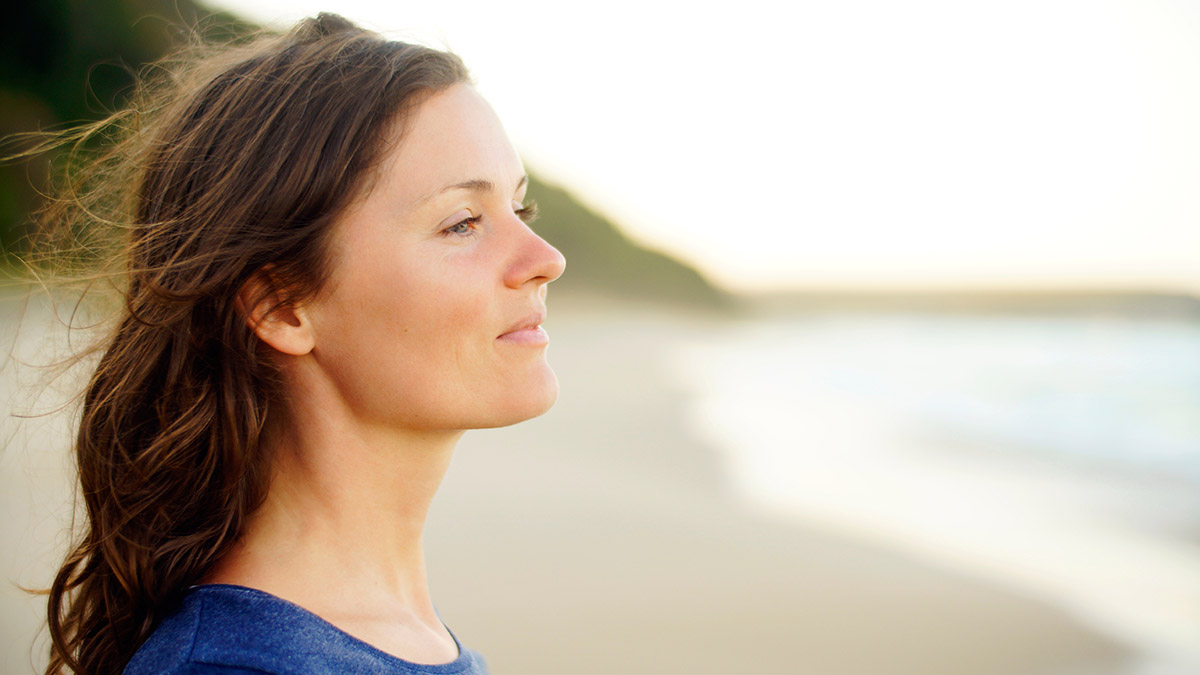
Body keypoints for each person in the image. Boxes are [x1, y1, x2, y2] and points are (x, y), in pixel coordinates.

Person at [39, 12, 565, 675]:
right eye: (462, 223)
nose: (545, 258)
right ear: (282, 305)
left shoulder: (398, 638)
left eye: (520, 211)